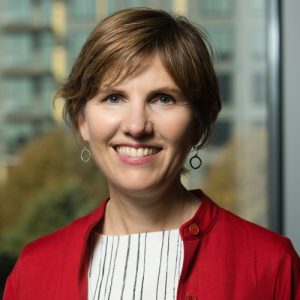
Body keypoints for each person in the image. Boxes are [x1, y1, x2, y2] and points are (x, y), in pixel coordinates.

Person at [3, 8, 300, 300]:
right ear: (82, 121)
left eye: (163, 98)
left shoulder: (271, 266)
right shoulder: (32, 270)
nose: (136, 126)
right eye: (114, 97)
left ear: (198, 122)